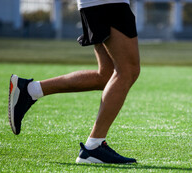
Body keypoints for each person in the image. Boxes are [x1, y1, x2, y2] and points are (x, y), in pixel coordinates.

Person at [8, 0, 140, 164]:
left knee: (107, 76)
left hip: (96, 4)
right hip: (109, 3)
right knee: (127, 71)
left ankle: (30, 90)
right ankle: (94, 146)